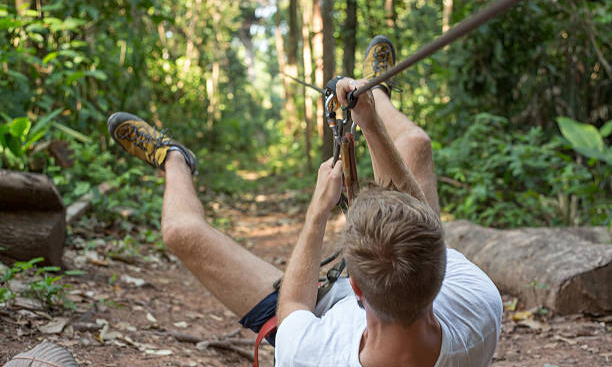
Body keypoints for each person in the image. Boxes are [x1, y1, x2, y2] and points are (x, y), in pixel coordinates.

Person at [107, 35, 502, 366]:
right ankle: (375, 92)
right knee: (415, 145)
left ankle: (174, 157)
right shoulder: (479, 306)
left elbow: (295, 300)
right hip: (396, 293)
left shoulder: (311, 354)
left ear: (356, 287)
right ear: (440, 278)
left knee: (180, 231)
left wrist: (318, 210)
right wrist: (367, 119)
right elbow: (425, 228)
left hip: (318, 312)